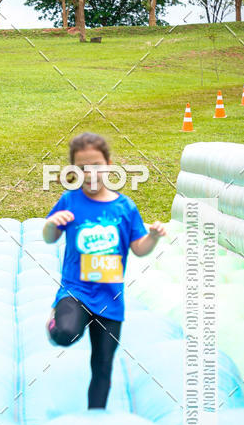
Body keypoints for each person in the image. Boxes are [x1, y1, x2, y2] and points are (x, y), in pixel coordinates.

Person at [43, 132, 166, 409]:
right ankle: (54, 323)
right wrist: (52, 223)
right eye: (82, 168)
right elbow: (50, 237)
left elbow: (138, 247)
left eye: (96, 166)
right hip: (76, 292)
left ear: (109, 164)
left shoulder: (125, 208)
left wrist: (154, 237)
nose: (90, 173)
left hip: (110, 301)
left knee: (102, 368)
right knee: (66, 333)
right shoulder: (70, 201)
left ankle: (95, 418)